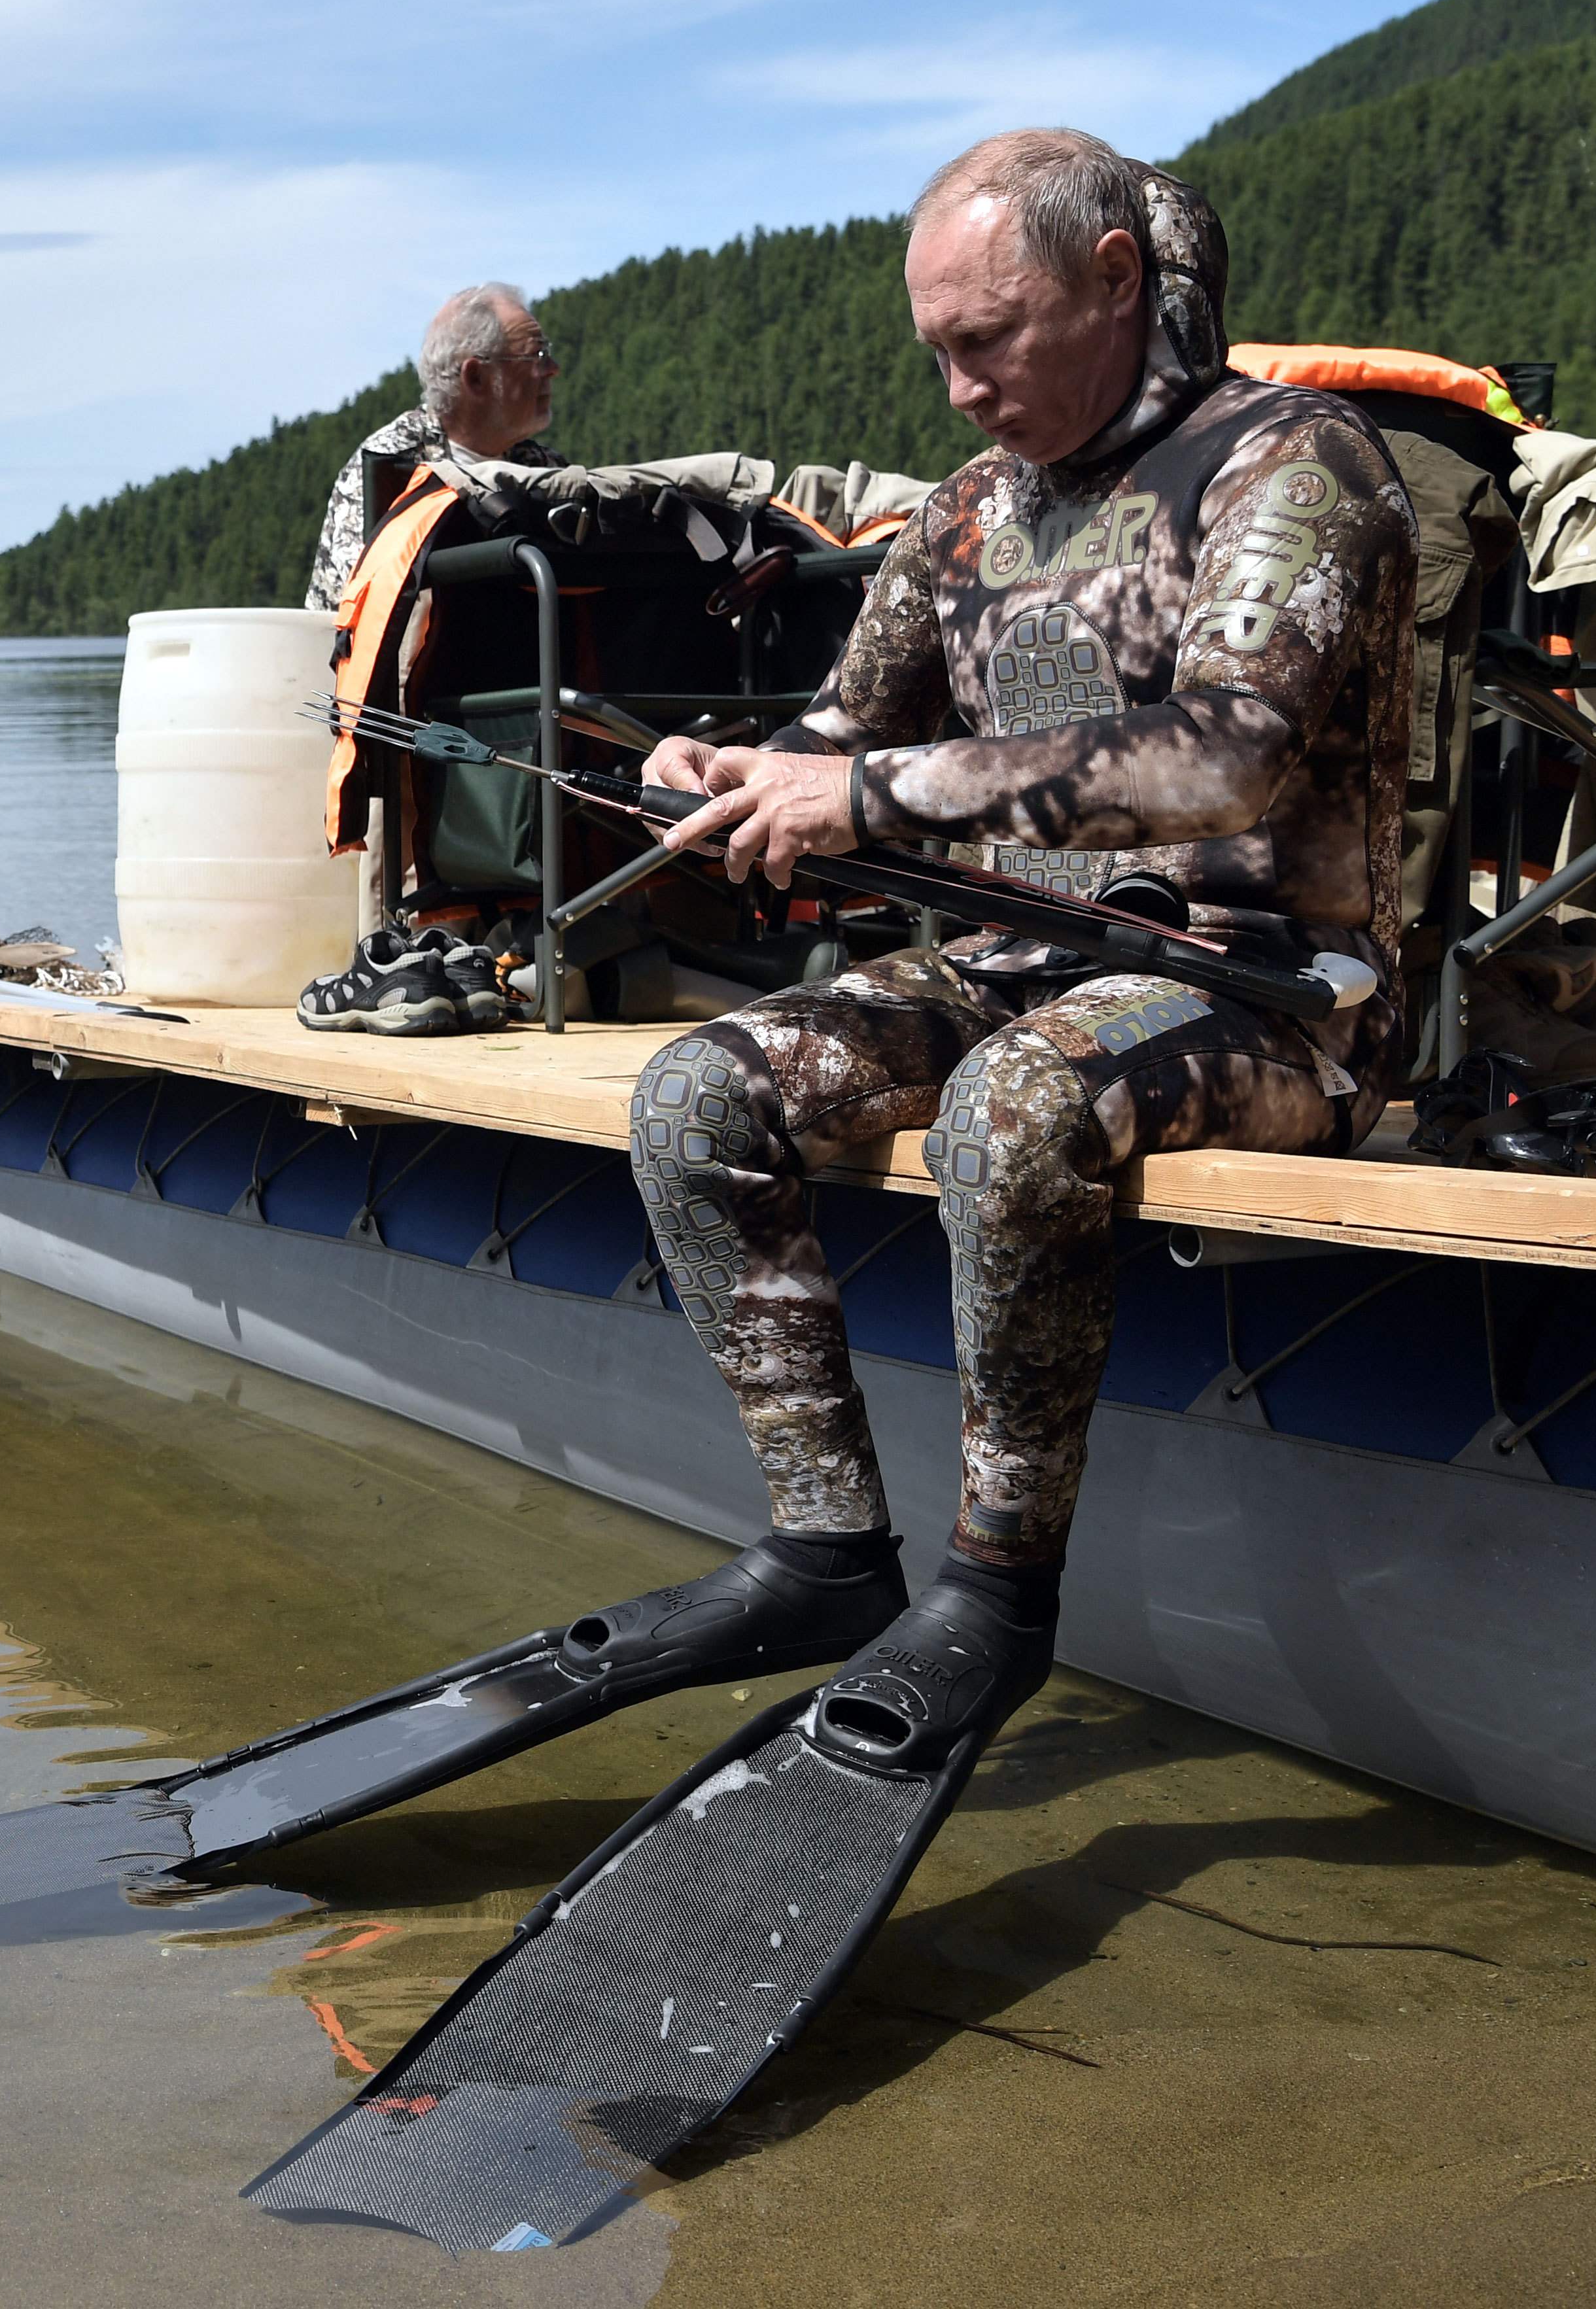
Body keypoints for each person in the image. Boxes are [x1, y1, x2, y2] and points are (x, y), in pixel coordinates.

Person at [620, 128, 1417, 1755]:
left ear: (1114, 281)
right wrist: (727, 769)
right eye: (938, 355)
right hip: (1013, 961)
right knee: (696, 1093)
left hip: (1267, 993)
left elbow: (1227, 751)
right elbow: (848, 721)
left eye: (986, 342)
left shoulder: (1293, 460)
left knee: (1017, 1106)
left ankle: (994, 1595)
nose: (960, 390)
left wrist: (867, 789)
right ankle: (829, 1550)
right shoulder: (973, 511)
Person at [305, 283, 567, 611]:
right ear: (475, 378)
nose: (552, 368)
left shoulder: (542, 466)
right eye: (536, 356)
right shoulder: (390, 466)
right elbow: (363, 611)